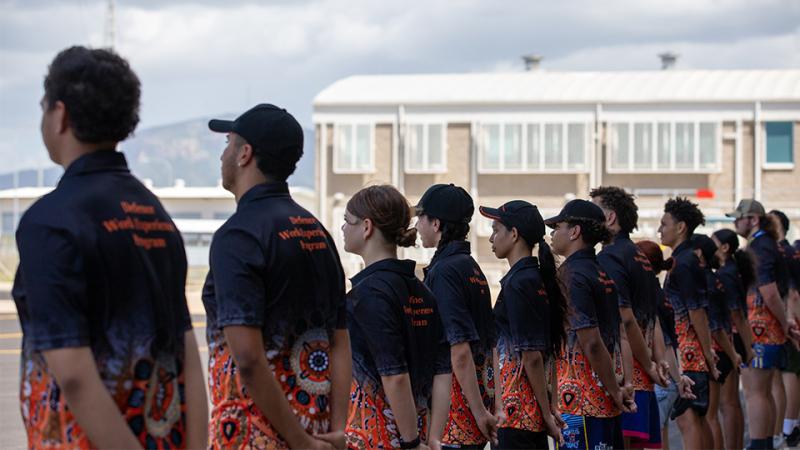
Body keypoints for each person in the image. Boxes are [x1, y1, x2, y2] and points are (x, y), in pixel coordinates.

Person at [13, 46, 207, 449]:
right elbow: (186, 347)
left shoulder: (48, 222)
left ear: (60, 114)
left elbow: (73, 375)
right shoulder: (156, 216)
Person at [202, 104, 350, 449]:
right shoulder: (316, 231)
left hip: (252, 435)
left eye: (227, 143)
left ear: (244, 154)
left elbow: (249, 359)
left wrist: (298, 442)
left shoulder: (238, 236)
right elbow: (340, 341)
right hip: (318, 433)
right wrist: (337, 430)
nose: (222, 154)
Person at [342, 185, 452, 450]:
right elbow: (443, 371)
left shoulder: (367, 294)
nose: (343, 229)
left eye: (347, 221)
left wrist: (411, 441)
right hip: (419, 434)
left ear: (366, 227)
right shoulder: (421, 290)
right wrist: (433, 438)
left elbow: (394, 375)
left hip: (379, 439)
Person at [415, 184, 499, 449]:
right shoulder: (471, 268)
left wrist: (479, 413)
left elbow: (459, 351)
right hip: (475, 407)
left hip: (455, 418)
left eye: (420, 217)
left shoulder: (446, 272)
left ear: (436, 223)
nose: (417, 225)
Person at [545, 199, 633, 449]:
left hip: (580, 403)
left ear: (574, 232)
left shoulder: (572, 275)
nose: (552, 233)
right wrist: (622, 386)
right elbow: (621, 335)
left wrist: (618, 391)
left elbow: (591, 342)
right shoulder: (601, 272)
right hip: (604, 397)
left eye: (557, 226)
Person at [479, 200, 568, 449]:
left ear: (514, 234)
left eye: (496, 230)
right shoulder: (534, 278)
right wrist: (548, 407)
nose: (491, 238)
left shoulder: (520, 283)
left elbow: (532, 356)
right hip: (525, 413)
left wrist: (547, 413)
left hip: (517, 414)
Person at [590, 186, 669, 449]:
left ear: (610, 217)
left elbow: (625, 319)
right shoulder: (639, 256)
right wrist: (657, 362)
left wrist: (648, 366)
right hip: (641, 375)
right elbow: (652, 318)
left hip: (625, 377)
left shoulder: (610, 257)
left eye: (595, 212)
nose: (589, 219)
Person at [727, 199, 798, 450]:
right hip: (768, 329)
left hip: (759, 328)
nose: (735, 221)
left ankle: (759, 444)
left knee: (755, 392)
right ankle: (764, 442)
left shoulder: (760, 247)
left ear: (753, 219)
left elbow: (768, 291)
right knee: (764, 391)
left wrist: (785, 322)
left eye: (739, 217)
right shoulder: (770, 245)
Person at [658, 197, 717, 450]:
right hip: (688, 350)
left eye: (664, 224)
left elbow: (697, 312)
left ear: (681, 227)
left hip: (690, 352)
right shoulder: (681, 260)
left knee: (688, 418)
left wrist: (707, 354)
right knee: (695, 418)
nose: (660, 229)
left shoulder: (685, 263)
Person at [636, 240, 696, 450]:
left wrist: (677, 379)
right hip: (667, 377)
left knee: (655, 442)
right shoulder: (659, 293)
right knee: (661, 438)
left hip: (662, 377)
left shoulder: (649, 295)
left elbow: (665, 344)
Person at [691, 233, 742, 450]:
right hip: (723, 351)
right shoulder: (716, 278)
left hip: (714, 352)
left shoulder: (705, 282)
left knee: (709, 416)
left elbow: (716, 327)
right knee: (723, 408)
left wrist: (733, 354)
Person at [712, 228, 757, 450]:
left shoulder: (725, 275)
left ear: (724, 248)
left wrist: (747, 348)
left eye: (714, 242)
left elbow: (737, 314)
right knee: (731, 402)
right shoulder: (732, 271)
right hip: (736, 340)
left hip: (731, 340)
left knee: (727, 403)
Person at [768, 210, 800, 447]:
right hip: (783, 323)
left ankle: (786, 430)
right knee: (780, 379)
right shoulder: (786, 252)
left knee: (786, 377)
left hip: (787, 324)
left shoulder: (783, 254)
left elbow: (792, 295)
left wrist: (789, 322)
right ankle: (784, 429)